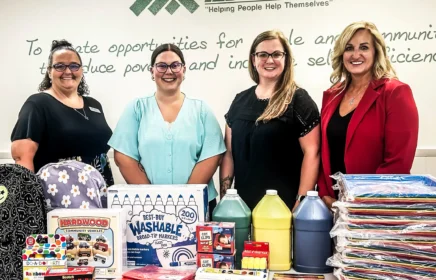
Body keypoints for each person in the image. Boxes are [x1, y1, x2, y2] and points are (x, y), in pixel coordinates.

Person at [108, 43, 225, 214]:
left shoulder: (201, 110)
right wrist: (153, 200)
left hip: (198, 205)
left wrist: (185, 200)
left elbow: (212, 156)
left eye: (175, 65)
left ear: (183, 70)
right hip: (147, 209)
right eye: (162, 66)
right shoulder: (137, 108)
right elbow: (123, 157)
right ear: (152, 71)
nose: (168, 71)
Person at [318, 21, 419, 209]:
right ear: (342, 54)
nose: (356, 55)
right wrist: (325, 195)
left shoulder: (395, 92)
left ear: (375, 52)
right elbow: (323, 151)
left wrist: (359, 202)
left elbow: (398, 162)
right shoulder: (332, 95)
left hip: (374, 208)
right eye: (349, 48)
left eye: (364, 47)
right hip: (332, 206)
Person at [220, 30, 320, 211]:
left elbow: (312, 153)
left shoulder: (298, 99)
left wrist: (301, 203)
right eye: (263, 54)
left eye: (276, 54)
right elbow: (228, 153)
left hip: (282, 210)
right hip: (241, 209)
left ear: (286, 59)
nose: (269, 60)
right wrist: (225, 199)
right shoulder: (239, 101)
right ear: (253, 59)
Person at [11, 40, 114, 186]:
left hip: (100, 191)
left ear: (81, 70)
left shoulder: (94, 105)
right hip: (58, 196)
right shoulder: (37, 104)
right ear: (49, 71)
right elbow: (22, 157)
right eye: (59, 66)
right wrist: (30, 197)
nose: (67, 71)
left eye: (74, 66)